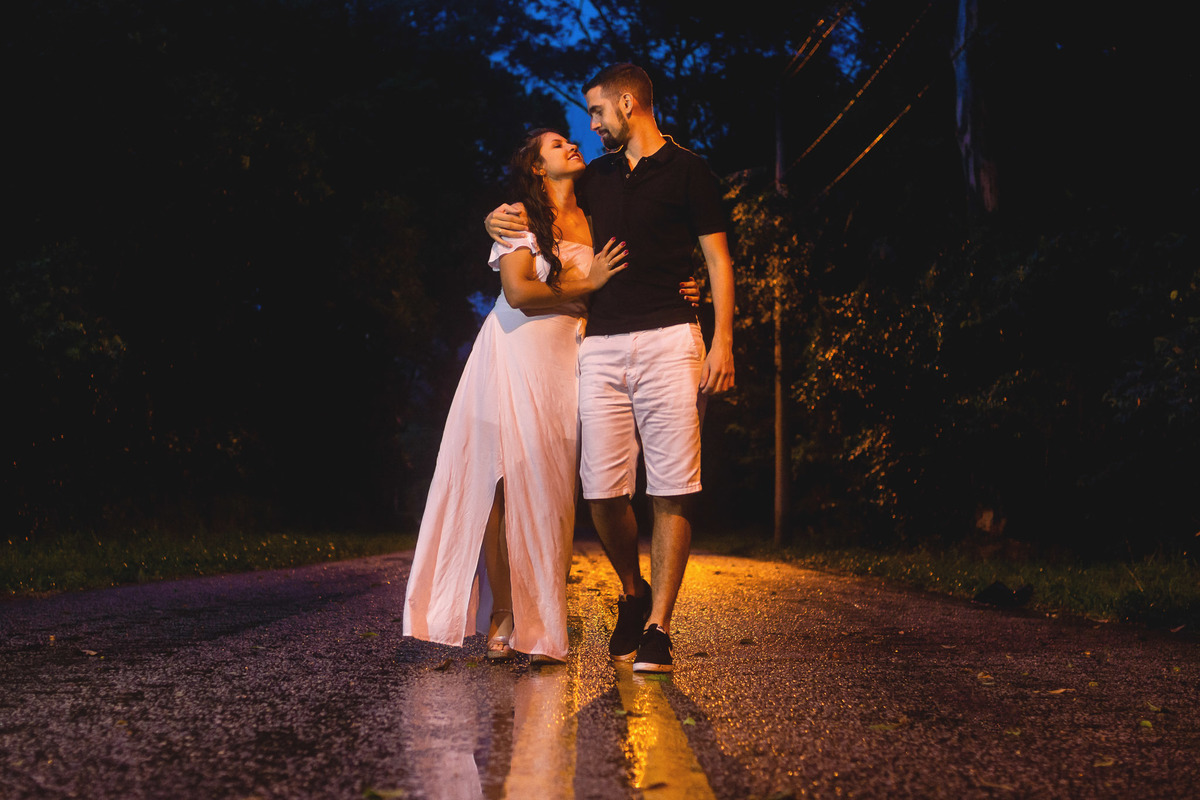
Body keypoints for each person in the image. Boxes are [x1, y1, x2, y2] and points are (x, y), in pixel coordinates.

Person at [404, 129, 700, 666]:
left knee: (549, 490)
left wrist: (684, 285)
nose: (572, 145)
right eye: (558, 144)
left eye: (571, 140)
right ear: (538, 167)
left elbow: (647, 258)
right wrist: (588, 284)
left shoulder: (599, 213)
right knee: (498, 482)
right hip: (511, 349)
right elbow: (519, 291)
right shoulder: (518, 216)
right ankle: (504, 614)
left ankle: (542, 620)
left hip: (570, 360)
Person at [486, 63, 735, 673]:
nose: (591, 125)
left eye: (597, 112)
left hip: (672, 339)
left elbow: (718, 260)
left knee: (673, 483)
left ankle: (658, 628)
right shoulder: (595, 178)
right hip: (598, 346)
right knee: (601, 491)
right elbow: (541, 207)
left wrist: (723, 339)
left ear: (628, 103)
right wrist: (491, 221)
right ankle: (631, 589)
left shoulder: (690, 171)